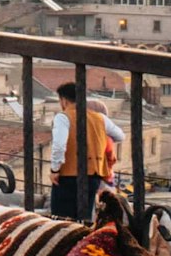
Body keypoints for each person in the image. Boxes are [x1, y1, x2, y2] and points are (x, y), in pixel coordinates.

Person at [47, 81, 126, 221]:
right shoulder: (100, 118)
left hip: (69, 176)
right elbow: (120, 136)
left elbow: (59, 146)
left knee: (62, 218)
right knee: (84, 217)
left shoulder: (63, 117)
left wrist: (55, 170)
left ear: (64, 100)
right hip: (93, 175)